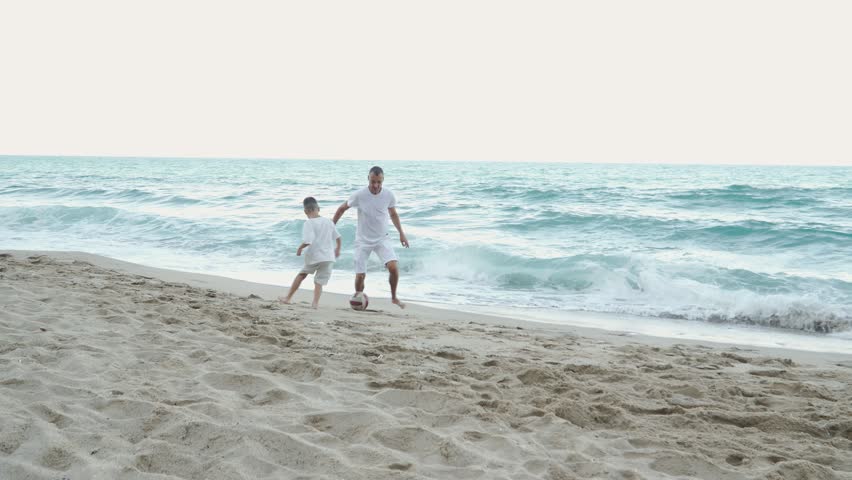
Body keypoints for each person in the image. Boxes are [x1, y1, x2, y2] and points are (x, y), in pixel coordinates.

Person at [333, 166, 409, 308]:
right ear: (368, 178)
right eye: (373, 181)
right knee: (360, 275)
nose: (375, 185)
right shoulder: (359, 195)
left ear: (383, 180)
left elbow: (393, 214)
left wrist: (401, 233)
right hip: (362, 241)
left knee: (393, 268)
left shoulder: (389, 195)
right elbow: (342, 208)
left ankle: (394, 297)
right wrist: (331, 227)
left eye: (379, 182)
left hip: (382, 239)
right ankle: (358, 299)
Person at [280, 197, 341, 308]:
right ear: (318, 208)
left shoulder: (309, 223)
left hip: (315, 256)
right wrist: (338, 249)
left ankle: (288, 298)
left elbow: (308, 240)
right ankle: (315, 303)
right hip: (328, 258)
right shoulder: (329, 222)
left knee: (302, 274)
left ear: (305, 211)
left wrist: (300, 248)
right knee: (319, 282)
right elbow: (338, 237)